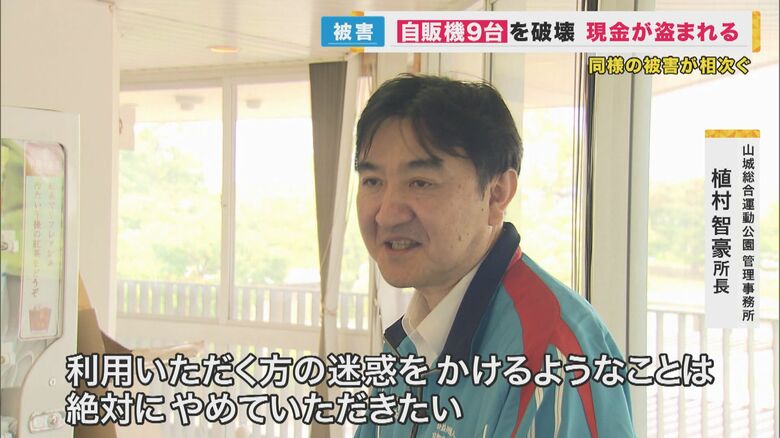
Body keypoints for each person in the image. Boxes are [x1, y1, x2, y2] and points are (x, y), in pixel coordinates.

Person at [353, 74, 635, 437]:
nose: (387, 214)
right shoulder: (408, 340)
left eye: (420, 182)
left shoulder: (553, 356)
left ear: (497, 194)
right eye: (372, 181)